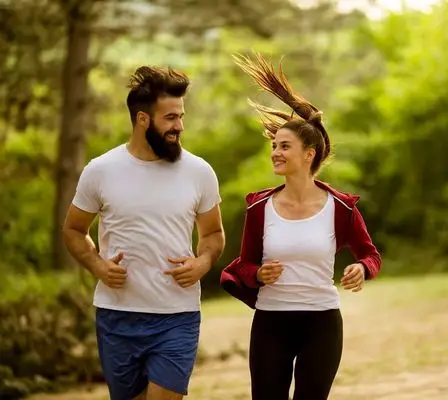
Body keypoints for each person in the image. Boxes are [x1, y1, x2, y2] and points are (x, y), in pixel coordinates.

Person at [220, 53, 382, 400]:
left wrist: (361, 268)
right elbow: (244, 263)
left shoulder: (340, 207)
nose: (275, 153)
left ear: (309, 154)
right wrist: (258, 275)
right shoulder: (259, 208)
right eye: (274, 146)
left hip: (321, 323)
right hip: (270, 324)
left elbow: (370, 255)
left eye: (284, 146)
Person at [62, 66, 225, 400]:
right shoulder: (101, 171)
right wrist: (97, 266)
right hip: (117, 316)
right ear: (142, 119)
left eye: (181, 117)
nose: (179, 126)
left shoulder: (199, 172)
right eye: (169, 118)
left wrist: (203, 262)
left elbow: (213, 235)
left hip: (177, 316)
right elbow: (74, 230)